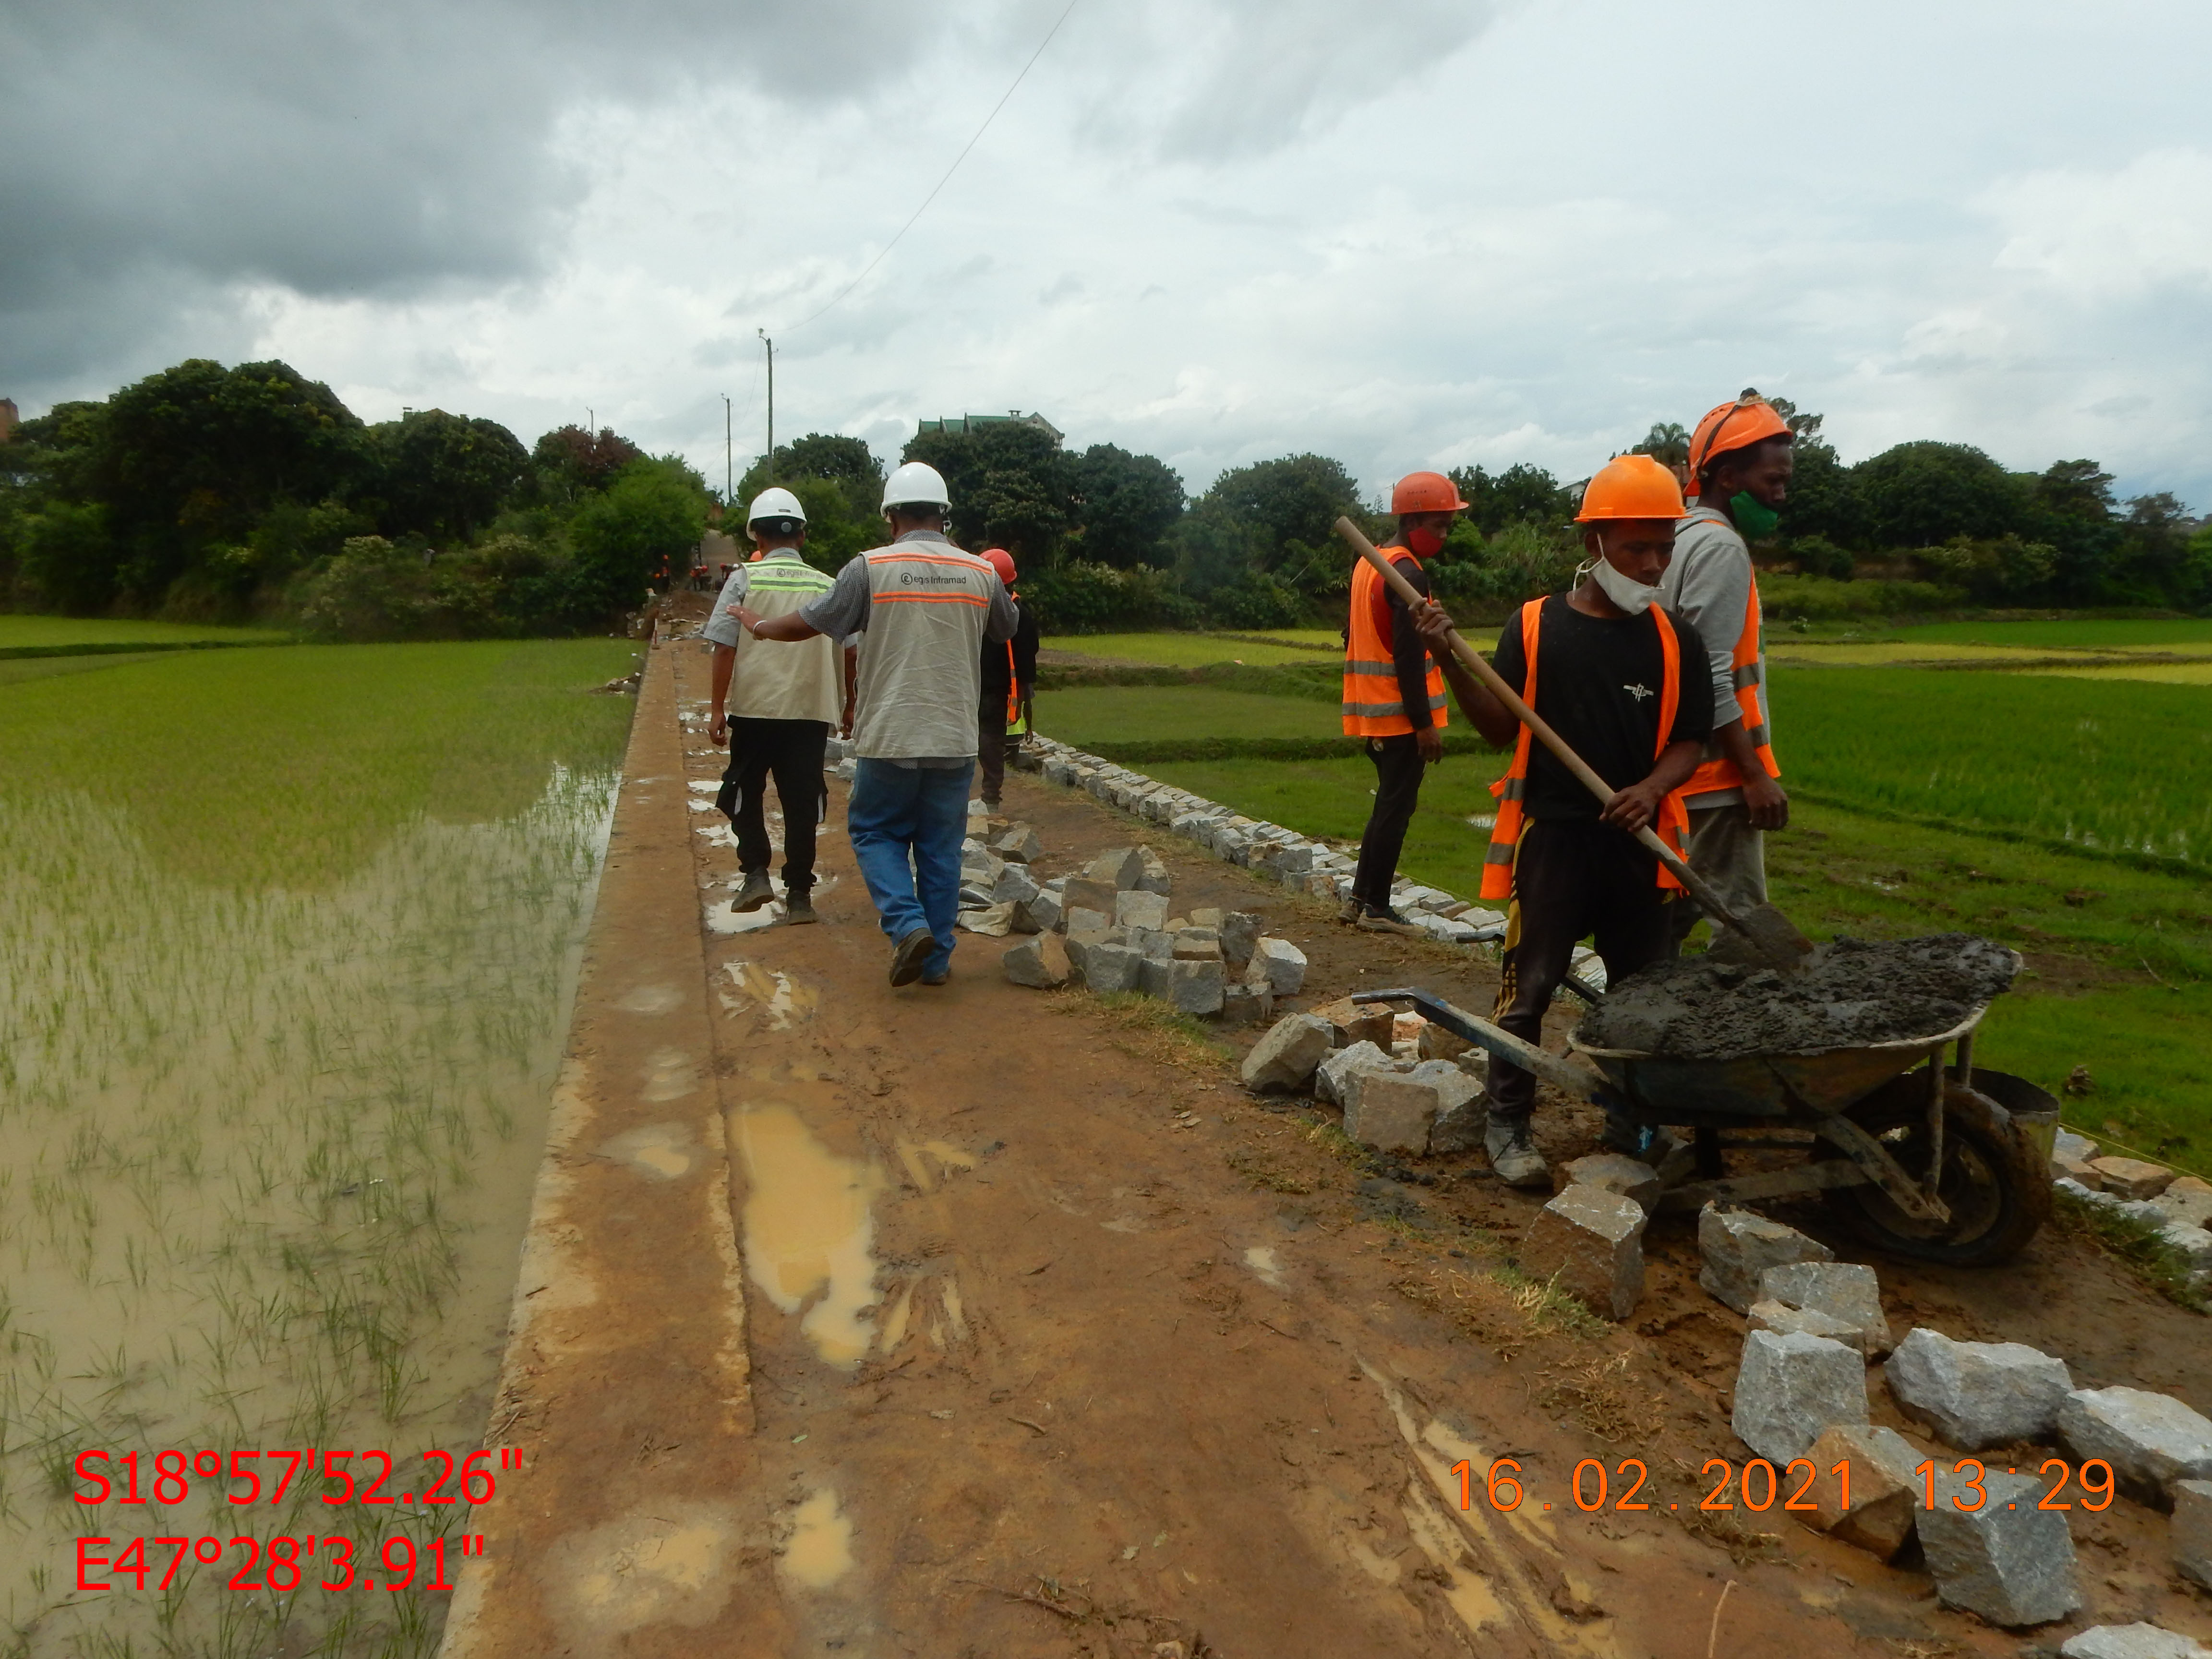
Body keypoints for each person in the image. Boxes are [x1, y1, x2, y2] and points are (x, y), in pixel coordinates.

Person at [1414, 455, 1712, 1186]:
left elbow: (1693, 740)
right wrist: (1448, 658)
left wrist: (1649, 788)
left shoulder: (1678, 638)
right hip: (1556, 841)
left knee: (1642, 998)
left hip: (1638, 849)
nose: (1652, 564)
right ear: (1595, 545)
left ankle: (1631, 1123)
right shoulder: (1537, 626)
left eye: (1664, 548)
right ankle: (1508, 1125)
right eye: (1637, 547)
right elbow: (1496, 727)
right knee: (1531, 985)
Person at [734, 460, 1017, 987]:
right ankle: (935, 963)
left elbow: (813, 622)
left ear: (891, 518)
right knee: (939, 848)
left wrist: (761, 626)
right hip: (955, 738)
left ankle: (908, 925)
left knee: (874, 832)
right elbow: (1006, 627)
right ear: (944, 517)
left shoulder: (869, 567)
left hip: (890, 735)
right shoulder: (981, 572)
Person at [1660, 390, 1792, 951]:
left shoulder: (1677, 537)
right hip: (1717, 777)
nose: (1782, 493)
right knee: (1742, 933)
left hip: (1675, 771)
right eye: (1772, 480)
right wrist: (1753, 774)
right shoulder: (1720, 549)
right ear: (1730, 476)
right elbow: (1710, 673)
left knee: (1664, 918)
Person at [703, 487, 840, 924]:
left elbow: (724, 647)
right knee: (802, 802)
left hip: (755, 710)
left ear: (755, 539)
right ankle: (799, 895)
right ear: (801, 536)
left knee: (743, 791)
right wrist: (850, 706)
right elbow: (852, 651)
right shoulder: (826, 584)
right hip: (809, 712)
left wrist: (716, 709)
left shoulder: (745, 579)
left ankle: (756, 872)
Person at [1341, 471, 1464, 935]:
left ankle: (1358, 899)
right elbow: (1411, 655)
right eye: (1438, 525)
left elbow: (1352, 633)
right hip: (1399, 716)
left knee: (1386, 807)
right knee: (1397, 809)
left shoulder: (1370, 563)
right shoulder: (1407, 572)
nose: (1444, 535)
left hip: (1371, 712)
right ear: (1412, 519)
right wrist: (1424, 724)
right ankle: (1377, 907)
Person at [975, 547, 1039, 812]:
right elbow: (1028, 654)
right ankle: (991, 797)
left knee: (977, 740)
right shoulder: (1019, 611)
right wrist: (1024, 690)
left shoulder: (973, 607)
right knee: (991, 740)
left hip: (974, 685)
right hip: (998, 688)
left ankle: (982, 797)